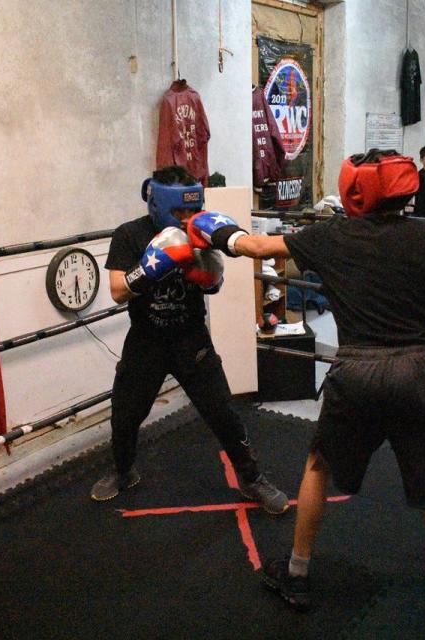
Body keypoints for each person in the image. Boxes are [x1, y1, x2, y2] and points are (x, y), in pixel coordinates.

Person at [188, 149, 425, 640]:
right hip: (416, 373)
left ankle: (298, 574)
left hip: (356, 371)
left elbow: (257, 249)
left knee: (319, 466)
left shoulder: (330, 235)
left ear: (353, 190)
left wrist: (213, 228)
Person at [89, 165, 288, 514]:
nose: (186, 218)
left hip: (190, 339)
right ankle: (122, 471)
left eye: (192, 210)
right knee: (125, 414)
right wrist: (153, 267)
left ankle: (252, 478)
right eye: (179, 211)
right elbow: (119, 291)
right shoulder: (129, 235)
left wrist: (204, 273)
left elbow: (213, 284)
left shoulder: (201, 229)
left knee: (223, 413)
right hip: (146, 340)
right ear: (157, 203)